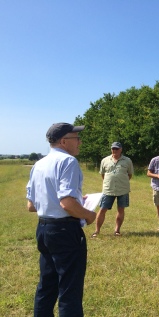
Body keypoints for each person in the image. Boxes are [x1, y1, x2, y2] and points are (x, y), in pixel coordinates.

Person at [26, 122, 97, 317]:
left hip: (44, 230)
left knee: (46, 287)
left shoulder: (38, 164)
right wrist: (89, 214)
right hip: (65, 232)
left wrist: (75, 202)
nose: (80, 142)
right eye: (77, 138)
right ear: (64, 141)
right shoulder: (68, 162)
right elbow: (66, 203)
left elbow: (31, 205)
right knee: (69, 291)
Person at [92, 142, 134, 237]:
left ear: (121, 149)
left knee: (121, 209)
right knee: (102, 209)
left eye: (116, 149)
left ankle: (117, 230)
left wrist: (121, 182)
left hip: (123, 189)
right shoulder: (105, 160)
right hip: (108, 189)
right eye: (113, 148)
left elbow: (130, 174)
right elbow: (103, 174)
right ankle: (97, 231)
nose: (114, 150)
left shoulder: (127, 161)